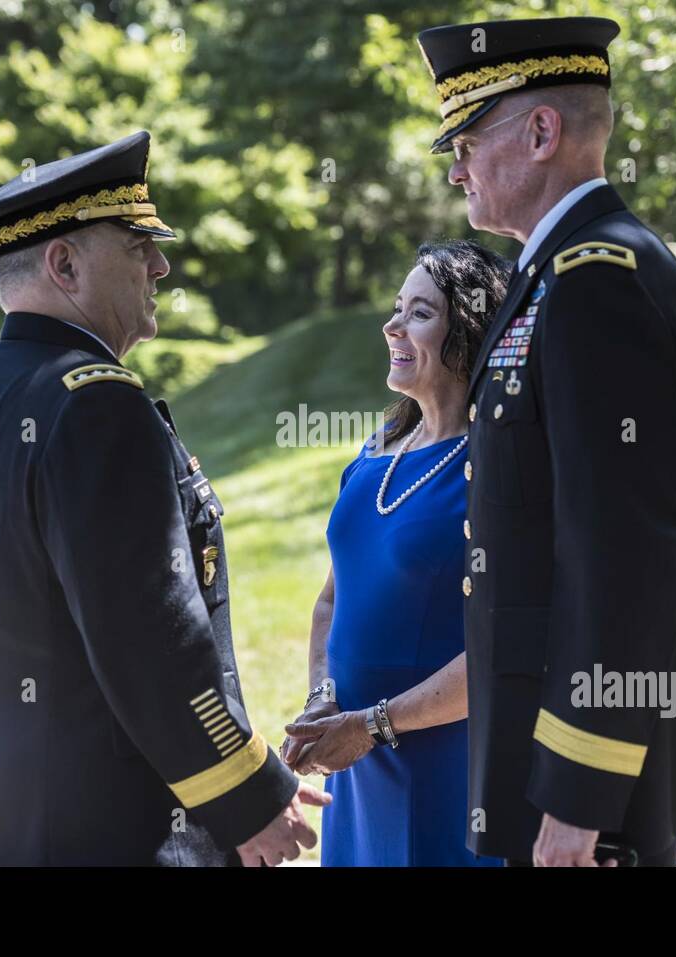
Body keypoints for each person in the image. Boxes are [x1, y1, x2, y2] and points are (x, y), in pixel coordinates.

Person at [0, 130, 327, 866]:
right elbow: (153, 638)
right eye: (136, 243)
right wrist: (248, 794)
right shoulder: (95, 404)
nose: (161, 263)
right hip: (111, 814)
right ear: (65, 264)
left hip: (5, 794)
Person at [415, 17, 676, 866]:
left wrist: (578, 796)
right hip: (540, 749)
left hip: (581, 783)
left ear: (540, 131)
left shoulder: (596, 279)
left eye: (465, 138)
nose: (455, 165)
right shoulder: (554, 273)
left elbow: (625, 556)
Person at [282, 241, 509, 867]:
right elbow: (332, 599)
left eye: (419, 312)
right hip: (357, 765)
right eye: (396, 307)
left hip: (448, 761)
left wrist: (375, 724)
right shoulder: (377, 452)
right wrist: (322, 701)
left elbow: (510, 642)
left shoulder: (495, 464)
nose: (392, 325)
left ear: (468, 332)